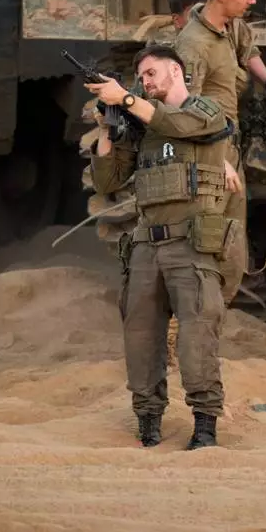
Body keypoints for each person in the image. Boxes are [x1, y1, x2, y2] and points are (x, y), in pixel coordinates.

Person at [86, 44, 238, 450]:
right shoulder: (144, 126)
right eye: (141, 77)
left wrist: (126, 99)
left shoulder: (205, 110)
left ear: (175, 70)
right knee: (140, 336)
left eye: (152, 73)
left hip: (191, 245)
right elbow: (107, 181)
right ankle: (148, 420)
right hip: (146, 247)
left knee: (197, 336)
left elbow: (179, 125)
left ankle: (204, 425)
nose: (146, 82)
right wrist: (108, 126)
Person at [172, 0, 266, 306]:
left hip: (229, 147)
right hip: (208, 154)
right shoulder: (192, 45)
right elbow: (185, 106)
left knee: (233, 239)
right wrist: (216, 158)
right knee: (208, 238)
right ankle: (194, 313)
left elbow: (249, 51)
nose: (253, 0)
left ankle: (217, 311)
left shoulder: (232, 24)